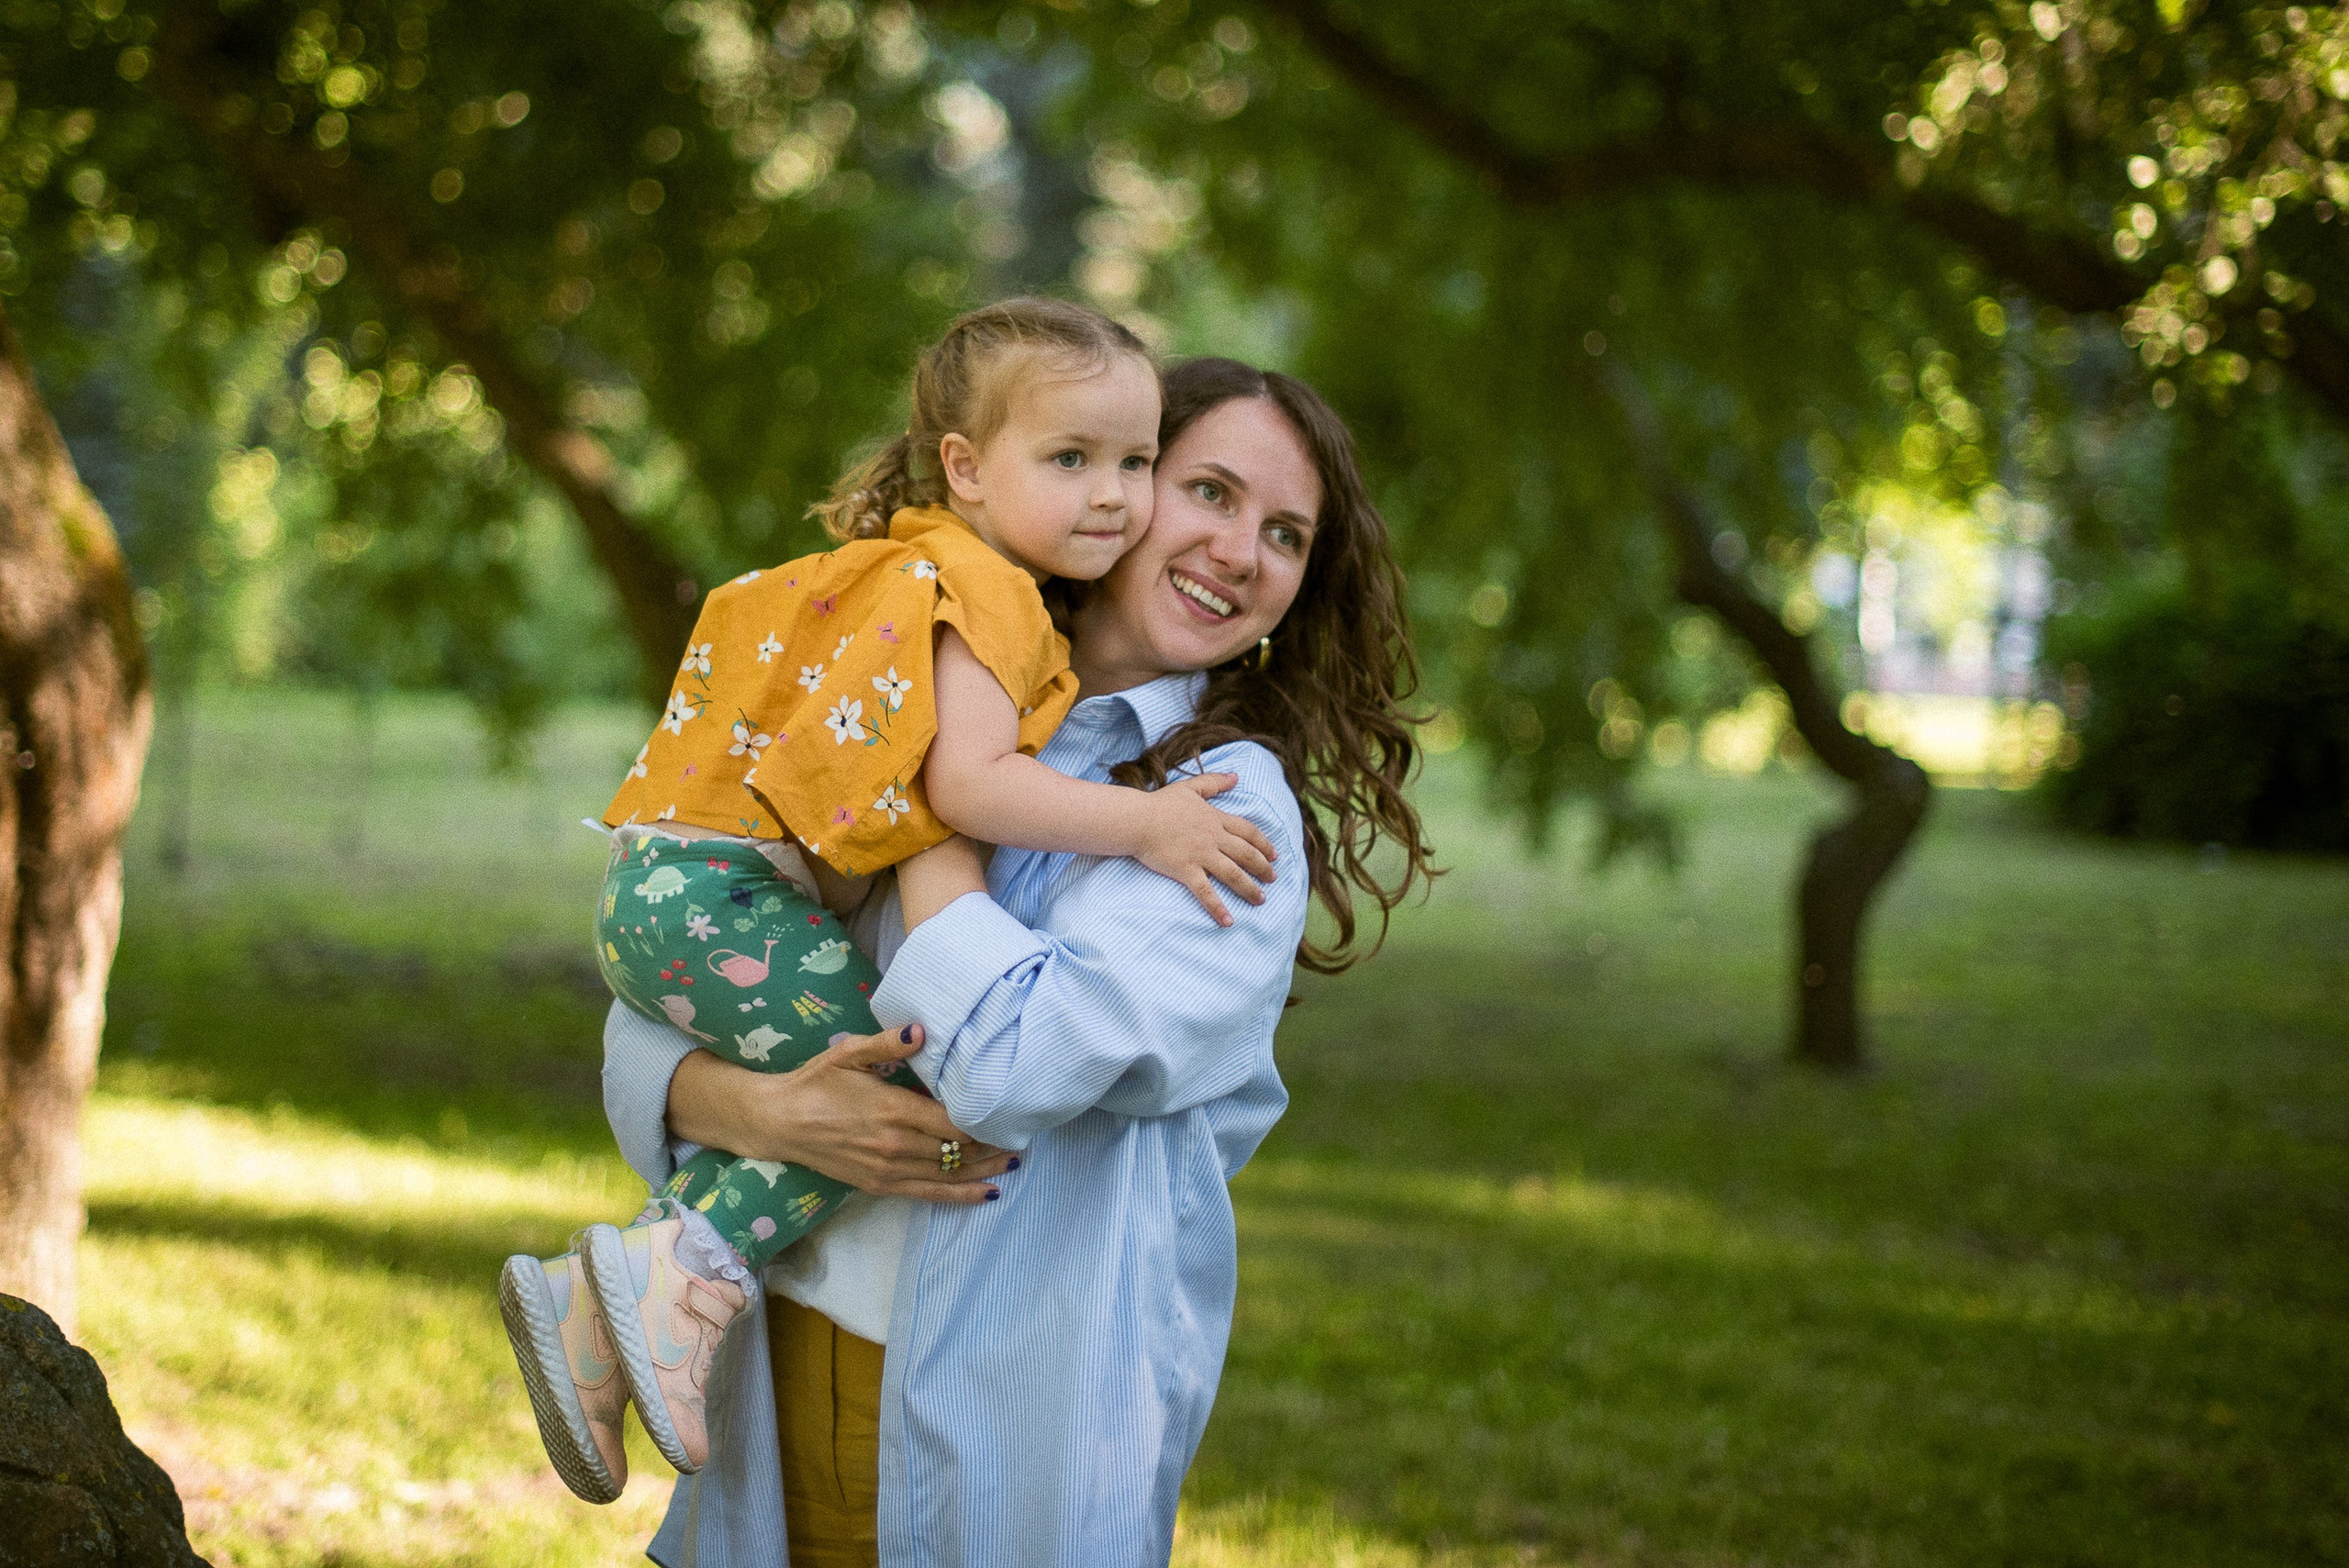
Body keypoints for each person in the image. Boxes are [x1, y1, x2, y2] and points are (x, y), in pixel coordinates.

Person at [606, 355, 1436, 1567]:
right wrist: (765, 1110)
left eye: (1287, 533)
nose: (1240, 550)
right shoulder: (910, 670)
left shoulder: (1221, 812)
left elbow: (1007, 1066)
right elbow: (678, 973)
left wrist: (939, 801)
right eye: (1205, 489)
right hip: (771, 1383)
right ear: (1121, 483)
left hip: (1005, 1429)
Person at [498, 300, 1280, 1507]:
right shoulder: (983, 599)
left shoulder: (1216, 780)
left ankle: (613, 1306)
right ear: (966, 466)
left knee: (892, 1060)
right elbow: (964, 790)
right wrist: (1143, 824)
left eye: (1132, 462)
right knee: (895, 1062)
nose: (1115, 495)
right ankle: (676, 1268)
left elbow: (1015, 1069)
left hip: (979, 1400)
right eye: (1087, 462)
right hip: (717, 905)